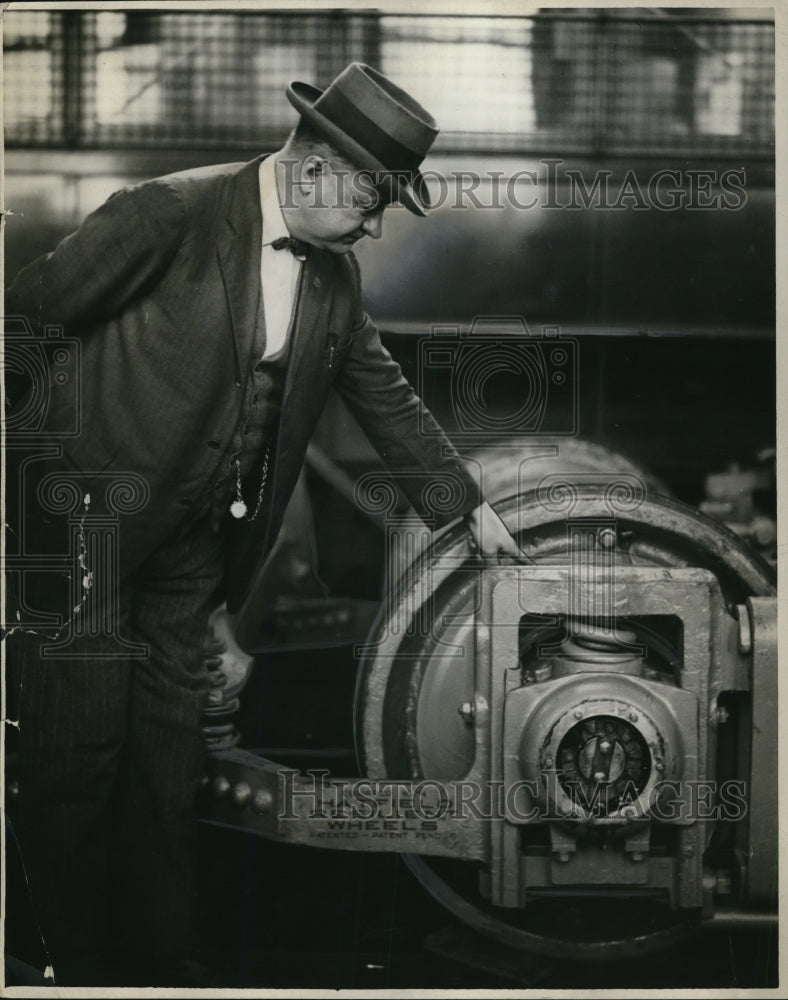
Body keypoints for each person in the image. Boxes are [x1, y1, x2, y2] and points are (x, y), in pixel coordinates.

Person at [4, 62, 523, 986]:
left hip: (191, 552)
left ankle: (159, 964)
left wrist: (469, 512)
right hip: (79, 538)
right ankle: (62, 968)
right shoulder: (165, 212)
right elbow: (23, 324)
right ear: (318, 167)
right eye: (372, 199)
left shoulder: (332, 277)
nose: (374, 222)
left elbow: (386, 399)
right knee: (74, 759)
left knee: (167, 767)